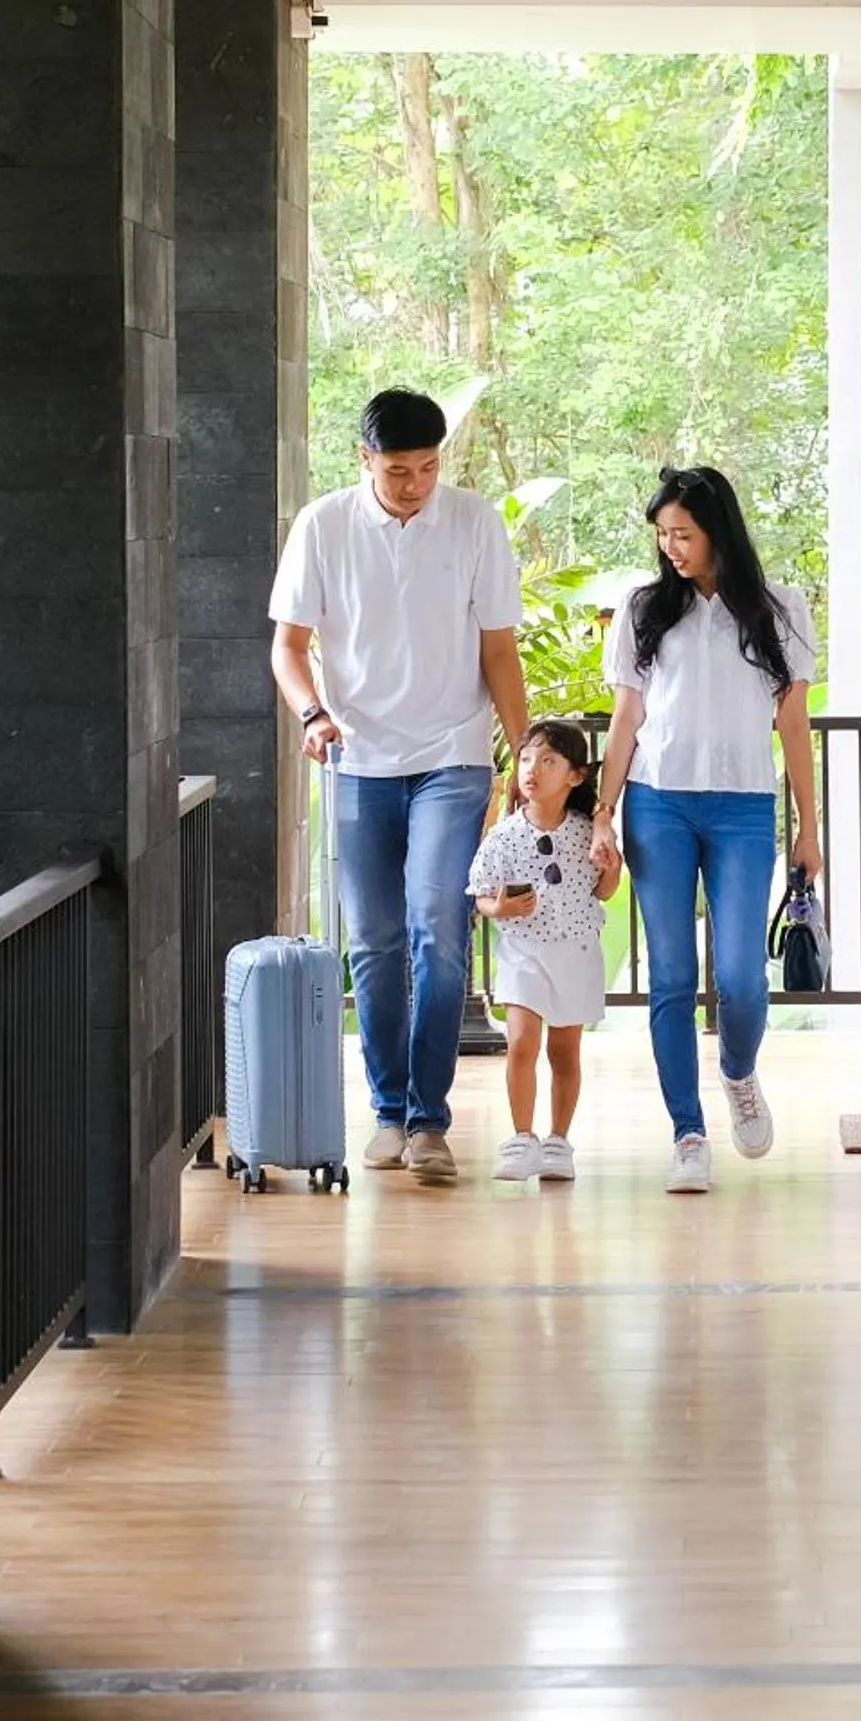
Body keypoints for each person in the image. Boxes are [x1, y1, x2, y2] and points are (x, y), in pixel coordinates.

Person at [269, 387, 528, 1186]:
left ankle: (428, 1120)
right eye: (397, 471)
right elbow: (288, 647)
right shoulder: (323, 526)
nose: (415, 485)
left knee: (438, 930)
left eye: (427, 468)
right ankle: (387, 1111)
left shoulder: (475, 523)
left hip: (453, 754)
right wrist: (313, 714)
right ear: (364, 459)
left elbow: (499, 652)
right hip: (358, 759)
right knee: (375, 942)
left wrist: (523, 754)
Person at [591, 465, 821, 1193]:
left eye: (683, 534)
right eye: (663, 535)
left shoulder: (780, 609)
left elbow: (793, 725)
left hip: (744, 807)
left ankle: (739, 1074)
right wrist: (603, 812)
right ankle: (687, 1133)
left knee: (742, 978)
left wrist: (808, 828)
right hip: (657, 804)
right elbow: (627, 718)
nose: (671, 547)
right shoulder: (643, 609)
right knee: (670, 977)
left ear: (718, 531)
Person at [467, 720, 620, 1184]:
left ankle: (558, 1141)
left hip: (575, 951)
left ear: (575, 776)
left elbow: (604, 890)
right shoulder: (504, 835)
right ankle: (521, 1137)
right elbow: (481, 895)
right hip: (522, 952)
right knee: (520, 1044)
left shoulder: (588, 833)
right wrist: (500, 907)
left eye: (548, 761)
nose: (532, 770)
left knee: (564, 1051)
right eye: (527, 759)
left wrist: (611, 868)